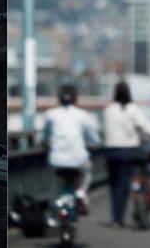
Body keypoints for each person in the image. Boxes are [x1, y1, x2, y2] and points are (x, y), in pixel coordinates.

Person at [103, 81, 150, 228]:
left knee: (114, 185)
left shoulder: (108, 110)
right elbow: (145, 126)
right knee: (124, 185)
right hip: (128, 151)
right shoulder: (132, 109)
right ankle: (121, 218)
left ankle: (115, 218)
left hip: (110, 152)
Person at [42, 84, 101, 215]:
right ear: (75, 98)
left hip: (57, 160)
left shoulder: (51, 114)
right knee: (87, 172)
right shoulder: (83, 115)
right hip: (78, 159)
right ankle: (81, 192)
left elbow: (44, 136)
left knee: (56, 181)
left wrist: (45, 143)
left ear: (59, 98)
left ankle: (53, 210)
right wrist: (92, 144)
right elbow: (94, 139)